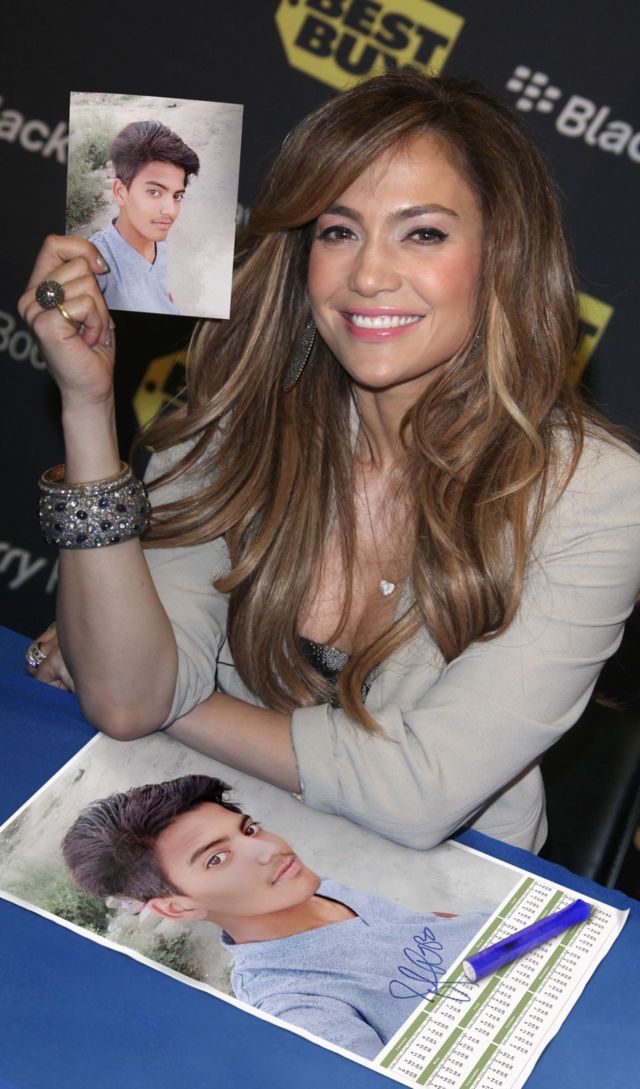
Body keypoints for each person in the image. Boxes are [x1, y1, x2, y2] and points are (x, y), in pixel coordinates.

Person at [19, 72, 640, 854]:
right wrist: (87, 407)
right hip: (211, 832)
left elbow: (421, 791)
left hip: (441, 894)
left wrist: (168, 698)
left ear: (501, 258)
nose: (368, 276)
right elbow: (124, 699)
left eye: (423, 234)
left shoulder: (595, 495)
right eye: (339, 231)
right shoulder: (242, 415)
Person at [62, 774, 487, 1060]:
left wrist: (451, 925)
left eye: (248, 829)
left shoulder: (302, 885)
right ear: (178, 907)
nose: (269, 849)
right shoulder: (289, 1004)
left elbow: (408, 926)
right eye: (216, 859)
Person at [88, 120, 200, 315]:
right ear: (120, 192)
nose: (170, 210)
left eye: (177, 196)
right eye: (154, 192)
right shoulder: (97, 262)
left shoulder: (158, 241)